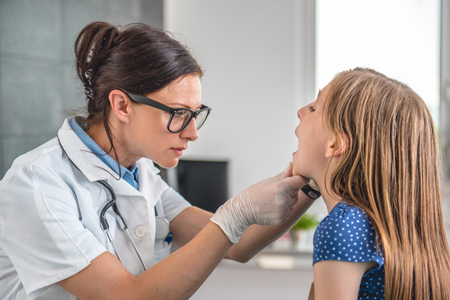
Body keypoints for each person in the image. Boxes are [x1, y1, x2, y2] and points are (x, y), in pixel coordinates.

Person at [0, 22, 318, 300]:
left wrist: (310, 182)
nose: (193, 133)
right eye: (179, 113)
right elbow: (126, 295)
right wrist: (233, 216)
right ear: (122, 105)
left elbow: (240, 244)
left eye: (195, 115)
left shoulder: (139, 173)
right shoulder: (37, 184)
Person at [294, 67, 450, 300]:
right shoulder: (381, 223)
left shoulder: (342, 226)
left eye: (314, 108)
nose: (300, 111)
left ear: (335, 144)